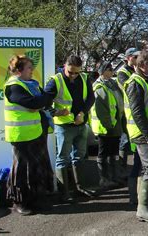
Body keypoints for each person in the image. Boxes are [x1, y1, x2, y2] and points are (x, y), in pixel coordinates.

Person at [4, 55, 58, 215]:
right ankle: (19, 202)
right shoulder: (13, 86)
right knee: (21, 170)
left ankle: (36, 199)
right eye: (29, 67)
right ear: (19, 70)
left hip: (36, 132)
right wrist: (41, 100)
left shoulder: (32, 85)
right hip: (20, 135)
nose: (32, 70)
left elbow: (44, 102)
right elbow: (35, 103)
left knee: (36, 169)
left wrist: (41, 101)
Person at [44, 55, 96, 202]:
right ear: (64, 66)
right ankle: (64, 193)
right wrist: (56, 112)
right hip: (64, 126)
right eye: (70, 72)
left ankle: (80, 187)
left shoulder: (84, 78)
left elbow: (91, 98)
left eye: (76, 73)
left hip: (81, 124)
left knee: (79, 156)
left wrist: (82, 113)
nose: (73, 75)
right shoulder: (55, 81)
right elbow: (44, 103)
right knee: (62, 159)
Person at [124, 49, 148, 223]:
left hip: (147, 133)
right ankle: (142, 209)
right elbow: (138, 113)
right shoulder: (135, 83)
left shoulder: (146, 81)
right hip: (142, 134)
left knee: (146, 168)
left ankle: (143, 205)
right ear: (143, 65)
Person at [90, 61, 127, 189]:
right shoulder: (99, 87)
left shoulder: (113, 84)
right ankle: (104, 179)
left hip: (115, 125)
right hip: (105, 128)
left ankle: (114, 177)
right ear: (103, 71)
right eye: (109, 69)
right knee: (103, 154)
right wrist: (108, 125)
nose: (112, 71)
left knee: (114, 153)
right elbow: (100, 110)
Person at [116, 48, 140, 168]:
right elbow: (127, 87)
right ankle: (122, 167)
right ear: (128, 57)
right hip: (126, 112)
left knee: (135, 141)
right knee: (125, 140)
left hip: (135, 109)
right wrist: (136, 73)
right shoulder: (122, 72)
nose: (137, 59)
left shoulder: (135, 70)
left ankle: (136, 167)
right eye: (135, 57)